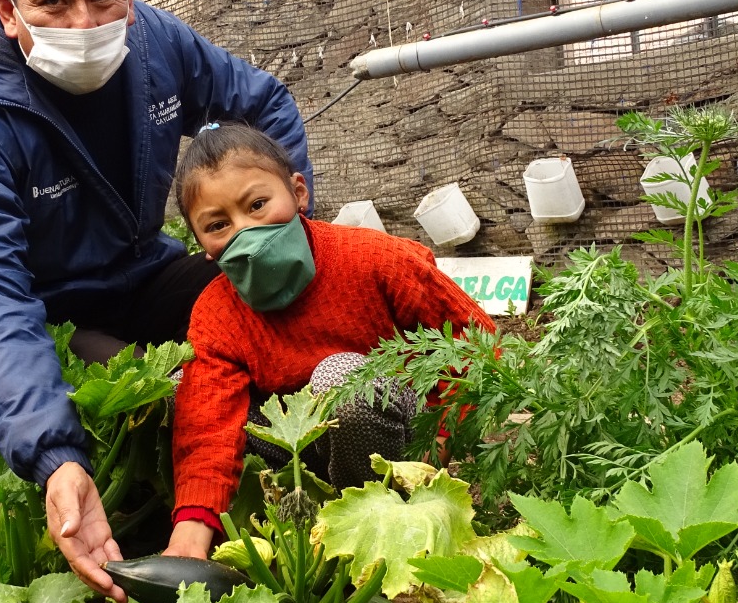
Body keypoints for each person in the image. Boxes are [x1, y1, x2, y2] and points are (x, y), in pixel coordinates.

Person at [0, 0, 311, 603]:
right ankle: (172, 512)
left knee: (254, 310)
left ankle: (328, 417)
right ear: (8, 12)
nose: (84, 21)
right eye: (52, 2)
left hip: (131, 269)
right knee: (156, 394)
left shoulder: (156, 45)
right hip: (30, 313)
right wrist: (55, 454)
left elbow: (265, 104)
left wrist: (275, 231)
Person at [163, 123, 495, 559]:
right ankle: (301, 516)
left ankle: (372, 527)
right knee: (179, 389)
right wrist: (189, 535)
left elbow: (474, 346)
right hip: (305, 454)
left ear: (298, 192)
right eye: (219, 225)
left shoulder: (378, 260)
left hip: (400, 439)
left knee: (339, 378)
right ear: (203, 244)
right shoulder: (216, 311)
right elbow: (209, 425)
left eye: (258, 204)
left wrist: (440, 443)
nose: (246, 232)